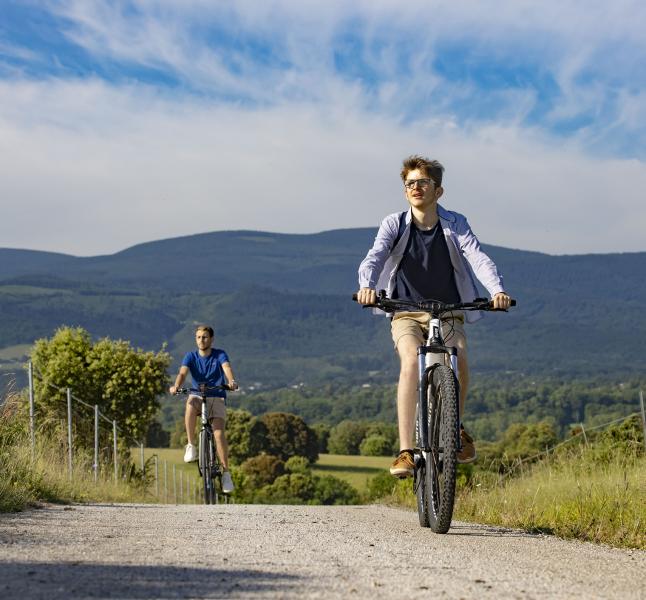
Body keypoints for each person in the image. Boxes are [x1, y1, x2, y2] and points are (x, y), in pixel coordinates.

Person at [356, 155, 511, 477]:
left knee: (459, 358)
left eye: (423, 182)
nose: (416, 188)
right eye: (410, 183)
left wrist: (497, 291)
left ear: (438, 191)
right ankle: (405, 451)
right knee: (411, 361)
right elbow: (375, 256)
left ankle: (455, 428)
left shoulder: (455, 223)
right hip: (405, 311)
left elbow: (477, 257)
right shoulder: (394, 224)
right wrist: (367, 286)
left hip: (448, 310)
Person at [169, 324, 239, 494]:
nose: (202, 340)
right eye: (199, 337)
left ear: (211, 339)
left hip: (216, 395)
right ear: (196, 339)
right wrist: (176, 386)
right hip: (197, 394)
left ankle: (225, 474)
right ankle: (191, 445)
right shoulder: (190, 356)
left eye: (205, 337)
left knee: (218, 433)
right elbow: (182, 373)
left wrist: (231, 382)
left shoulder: (219, 354)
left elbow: (227, 368)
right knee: (190, 403)